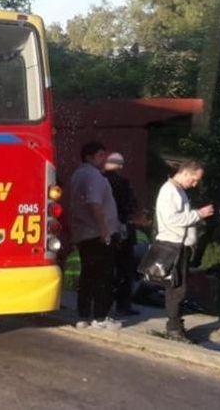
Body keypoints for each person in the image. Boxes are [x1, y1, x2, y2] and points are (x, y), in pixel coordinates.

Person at [154, 160, 214, 342]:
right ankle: (173, 327)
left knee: (179, 287)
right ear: (186, 173)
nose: (195, 184)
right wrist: (198, 214)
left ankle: (175, 323)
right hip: (174, 245)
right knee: (177, 288)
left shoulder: (178, 190)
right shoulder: (169, 191)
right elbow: (172, 219)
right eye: (194, 180)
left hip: (181, 245)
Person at [69, 141, 122, 330]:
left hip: (84, 233)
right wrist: (105, 232)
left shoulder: (77, 174)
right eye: (100, 155)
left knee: (88, 275)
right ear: (89, 157)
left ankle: (83, 315)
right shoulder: (93, 176)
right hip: (98, 234)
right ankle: (100, 317)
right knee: (103, 276)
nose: (103, 159)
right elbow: (95, 204)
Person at [103, 152, 142, 317]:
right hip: (122, 229)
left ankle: (104, 302)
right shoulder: (122, 183)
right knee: (124, 268)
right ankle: (123, 304)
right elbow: (130, 206)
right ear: (120, 166)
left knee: (105, 268)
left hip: (102, 229)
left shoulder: (99, 180)